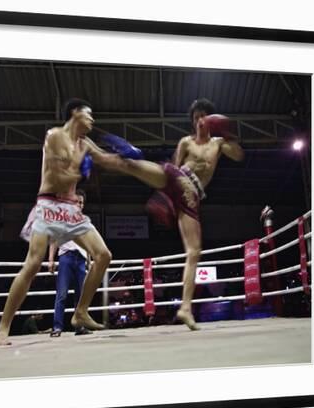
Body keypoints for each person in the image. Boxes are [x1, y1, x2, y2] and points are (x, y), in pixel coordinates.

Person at [87, 98, 244, 330]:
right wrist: (165, 198)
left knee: (194, 252)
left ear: (210, 119)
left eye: (203, 116)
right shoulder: (186, 142)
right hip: (176, 178)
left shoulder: (219, 143)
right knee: (130, 164)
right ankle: (88, 148)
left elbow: (238, 155)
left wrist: (226, 131)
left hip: (192, 197)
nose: (199, 121)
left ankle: (185, 308)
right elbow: (172, 167)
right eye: (195, 117)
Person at [0, 98, 112, 346]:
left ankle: (80, 312)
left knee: (103, 255)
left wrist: (129, 159)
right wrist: (82, 170)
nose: (93, 120)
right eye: (89, 114)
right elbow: (58, 177)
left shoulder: (85, 143)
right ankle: (3, 328)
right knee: (32, 264)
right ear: (75, 114)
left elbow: (108, 160)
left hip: (71, 209)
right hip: (49, 205)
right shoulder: (55, 136)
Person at [48, 189, 93, 337]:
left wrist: (89, 260)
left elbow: (89, 243)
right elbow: (53, 240)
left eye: (81, 202)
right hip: (66, 257)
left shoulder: (85, 221)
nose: (79, 204)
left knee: (81, 296)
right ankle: (57, 327)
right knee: (62, 294)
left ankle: (79, 327)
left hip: (80, 259)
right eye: (77, 201)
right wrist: (50, 260)